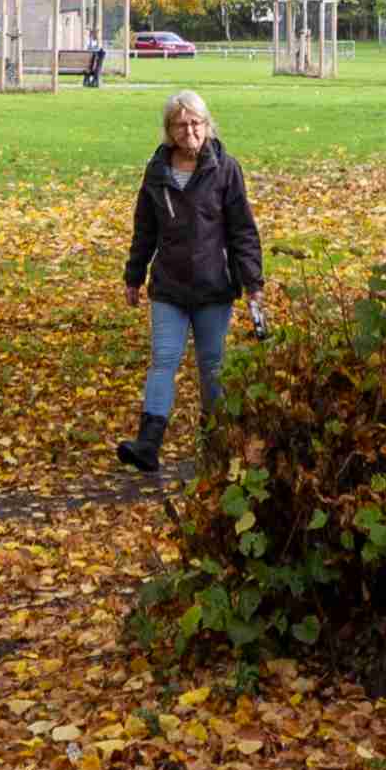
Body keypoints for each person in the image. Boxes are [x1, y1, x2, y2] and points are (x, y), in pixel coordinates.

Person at [120, 89, 264, 478]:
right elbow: (144, 229)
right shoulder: (157, 171)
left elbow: (243, 232)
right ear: (169, 130)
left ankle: (215, 445)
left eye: (195, 123)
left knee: (212, 368)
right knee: (163, 361)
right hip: (169, 286)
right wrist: (134, 276)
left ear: (207, 124)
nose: (189, 131)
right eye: (181, 125)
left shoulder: (226, 169)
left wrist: (253, 283)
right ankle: (148, 444)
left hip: (214, 287)